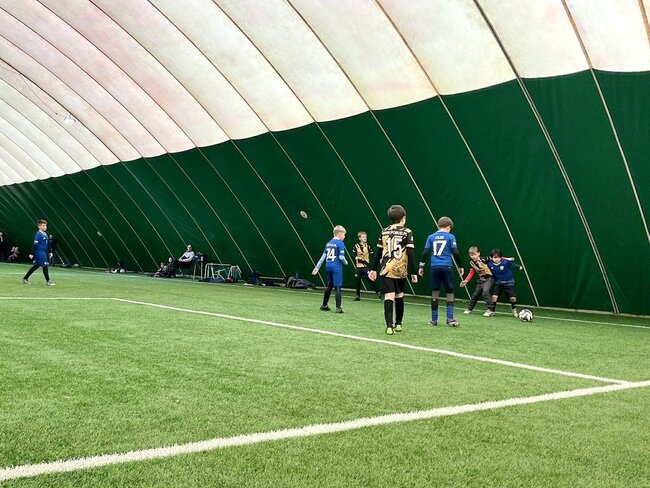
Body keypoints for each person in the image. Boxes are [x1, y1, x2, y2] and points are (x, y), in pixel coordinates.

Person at [368, 205, 418, 335]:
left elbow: (378, 252)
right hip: (400, 269)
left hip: (386, 269)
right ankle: (399, 324)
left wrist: (373, 269)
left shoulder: (384, 231)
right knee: (399, 295)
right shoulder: (407, 232)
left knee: (388, 296)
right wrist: (414, 272)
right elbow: (411, 253)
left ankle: (389, 326)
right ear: (403, 218)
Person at [418, 216, 464, 327]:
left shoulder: (431, 237)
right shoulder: (450, 237)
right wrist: (460, 266)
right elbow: (455, 252)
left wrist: (421, 266)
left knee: (435, 291)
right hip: (446, 266)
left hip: (434, 266)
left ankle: (434, 320)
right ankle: (450, 318)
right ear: (448, 227)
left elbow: (425, 252)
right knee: (450, 291)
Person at [312, 225, 348, 313]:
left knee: (329, 286)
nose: (344, 237)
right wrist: (346, 262)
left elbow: (323, 256)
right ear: (340, 234)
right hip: (336, 267)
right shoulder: (340, 243)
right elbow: (341, 257)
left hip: (328, 266)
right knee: (338, 286)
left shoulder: (328, 243)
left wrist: (317, 267)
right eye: (344, 235)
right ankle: (338, 308)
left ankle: (324, 305)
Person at [486, 248, 524, 317]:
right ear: (491, 258)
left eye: (498, 257)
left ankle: (514, 310)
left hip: (508, 282)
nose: (496, 259)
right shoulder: (489, 264)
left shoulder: (505, 262)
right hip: (498, 283)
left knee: (512, 298)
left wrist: (519, 267)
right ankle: (492, 311)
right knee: (494, 297)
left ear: (501, 257)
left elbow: (512, 265)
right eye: (494, 258)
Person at [460, 246, 495, 316]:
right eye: (471, 255)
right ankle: (469, 308)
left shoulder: (484, 259)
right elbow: (471, 273)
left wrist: (507, 259)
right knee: (475, 295)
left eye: (474, 254)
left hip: (489, 279)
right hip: (481, 281)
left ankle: (491, 310)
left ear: (478, 253)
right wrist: (466, 281)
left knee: (485, 291)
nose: (473, 256)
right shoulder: (472, 263)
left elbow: (495, 258)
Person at [22, 220, 54, 286]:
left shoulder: (45, 234)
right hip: (39, 252)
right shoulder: (38, 234)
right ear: (39, 226)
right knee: (45, 265)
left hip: (44, 252)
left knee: (36, 266)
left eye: (46, 225)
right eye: (43, 226)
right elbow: (35, 244)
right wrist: (32, 253)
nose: (45, 227)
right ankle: (48, 281)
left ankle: (25, 278)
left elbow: (47, 244)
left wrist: (50, 252)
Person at [352, 231, 378, 301]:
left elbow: (372, 254)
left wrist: (378, 259)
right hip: (358, 266)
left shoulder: (368, 246)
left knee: (370, 279)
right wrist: (356, 257)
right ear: (359, 238)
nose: (365, 238)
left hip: (365, 266)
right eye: (363, 237)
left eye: (365, 237)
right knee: (358, 281)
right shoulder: (356, 246)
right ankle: (358, 296)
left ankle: (378, 292)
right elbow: (353, 254)